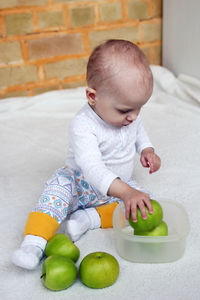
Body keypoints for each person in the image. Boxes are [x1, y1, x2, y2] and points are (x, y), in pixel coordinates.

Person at [11, 39, 161, 270]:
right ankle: (33, 244)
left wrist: (147, 149)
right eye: (125, 110)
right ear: (92, 97)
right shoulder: (83, 125)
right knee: (54, 194)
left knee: (143, 201)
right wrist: (126, 192)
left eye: (140, 107)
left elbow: (139, 131)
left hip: (115, 188)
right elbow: (92, 168)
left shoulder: (131, 115)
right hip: (79, 184)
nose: (133, 116)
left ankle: (88, 220)